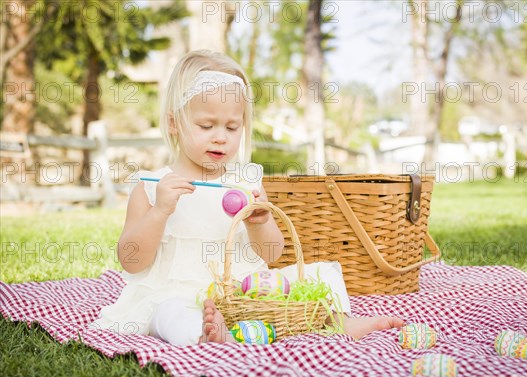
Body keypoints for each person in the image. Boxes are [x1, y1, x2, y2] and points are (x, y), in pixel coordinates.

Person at [92, 50, 403, 346]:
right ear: (174, 123)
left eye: (232, 126)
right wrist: (159, 212)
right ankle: (206, 334)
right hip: (182, 295)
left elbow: (271, 253)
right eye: (206, 125)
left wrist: (260, 222)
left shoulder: (244, 183)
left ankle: (338, 320)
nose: (220, 137)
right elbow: (131, 262)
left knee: (321, 273)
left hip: (247, 293)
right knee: (167, 313)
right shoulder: (152, 186)